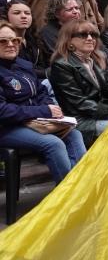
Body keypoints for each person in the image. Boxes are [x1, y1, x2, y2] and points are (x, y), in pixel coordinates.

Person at [0, 21, 86, 183]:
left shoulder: (23, 65)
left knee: (74, 134)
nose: (10, 45)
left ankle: (78, 187)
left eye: (15, 40)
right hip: (7, 127)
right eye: (3, 41)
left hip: (34, 121)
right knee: (53, 144)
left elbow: (41, 91)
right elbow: (3, 111)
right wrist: (43, 111)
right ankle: (67, 193)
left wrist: (49, 107)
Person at [48, 19, 108, 146]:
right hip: (81, 120)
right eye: (83, 35)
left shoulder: (99, 59)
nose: (90, 38)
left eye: (93, 35)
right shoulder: (61, 65)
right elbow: (80, 104)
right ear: (69, 40)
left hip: (103, 112)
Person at [40, 0, 83, 65]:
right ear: (57, 14)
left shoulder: (82, 29)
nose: (75, 12)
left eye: (77, 8)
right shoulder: (47, 33)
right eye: (70, 9)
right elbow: (60, 60)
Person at [5, 0, 44, 77]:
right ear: (6, 16)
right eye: (17, 13)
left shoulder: (34, 38)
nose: (24, 16)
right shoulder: (5, 42)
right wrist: (47, 73)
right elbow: (17, 69)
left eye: (27, 13)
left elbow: (41, 64)